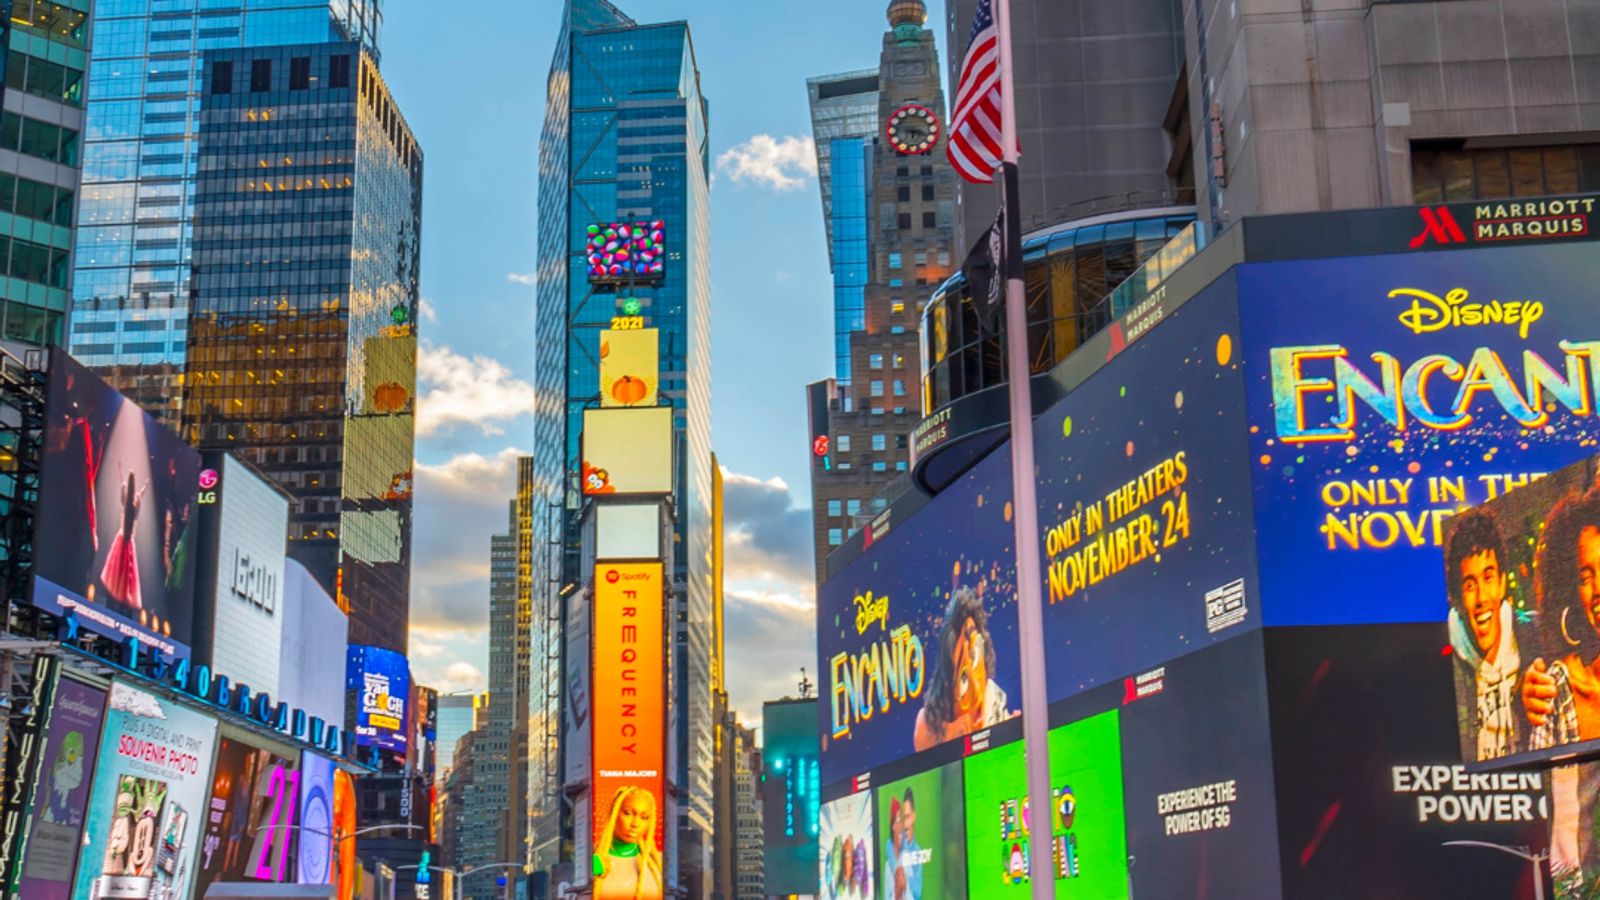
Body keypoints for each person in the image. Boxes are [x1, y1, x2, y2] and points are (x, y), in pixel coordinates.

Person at [1446, 507, 1522, 760]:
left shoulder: (1535, 640)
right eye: (1469, 585)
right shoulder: (1449, 666)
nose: (1480, 599)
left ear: (1502, 584)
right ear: (1457, 600)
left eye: (1488, 578)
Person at [914, 587, 1011, 751]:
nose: (974, 679)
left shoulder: (995, 702)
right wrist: (950, 737)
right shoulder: (928, 722)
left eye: (974, 653)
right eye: (964, 678)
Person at [593, 786, 663, 900]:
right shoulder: (591, 859)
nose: (635, 824)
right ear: (613, 813)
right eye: (627, 813)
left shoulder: (658, 864)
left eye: (644, 817)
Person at [100, 469, 148, 609]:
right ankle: (120, 600)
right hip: (126, 541)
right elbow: (137, 496)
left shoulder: (129, 506)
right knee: (125, 574)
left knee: (118, 571)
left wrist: (125, 485)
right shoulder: (133, 508)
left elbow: (130, 496)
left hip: (122, 540)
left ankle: (115, 600)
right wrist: (142, 486)